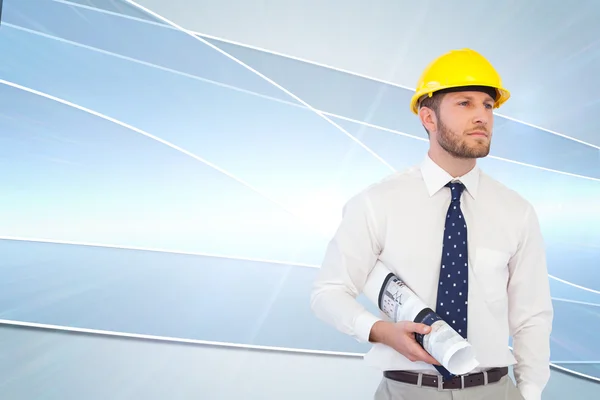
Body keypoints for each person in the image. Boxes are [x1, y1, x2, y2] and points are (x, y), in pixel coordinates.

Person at [310, 48, 554, 400]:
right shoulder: (377, 203)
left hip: (493, 391)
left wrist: (530, 393)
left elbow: (532, 316)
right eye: (465, 103)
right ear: (428, 117)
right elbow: (328, 292)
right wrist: (380, 331)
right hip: (408, 391)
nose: (482, 116)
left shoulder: (517, 211)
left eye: (487, 105)